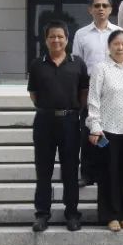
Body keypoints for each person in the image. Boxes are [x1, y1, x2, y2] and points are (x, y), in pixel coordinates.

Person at [27, 20, 89, 232]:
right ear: (46, 40)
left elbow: (83, 92)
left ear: (67, 39)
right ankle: (42, 214)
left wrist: (73, 111)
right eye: (52, 36)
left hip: (69, 121)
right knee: (43, 170)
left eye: (60, 36)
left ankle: (72, 214)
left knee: (70, 170)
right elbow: (34, 94)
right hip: (44, 122)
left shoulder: (77, 63)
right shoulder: (37, 64)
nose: (56, 40)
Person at [86, 30, 123, 232]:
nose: (120, 48)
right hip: (107, 130)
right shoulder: (101, 68)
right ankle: (110, 216)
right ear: (109, 47)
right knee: (108, 174)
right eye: (116, 44)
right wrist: (95, 126)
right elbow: (93, 99)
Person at [71, 0, 122, 188]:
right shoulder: (81, 34)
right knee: (88, 131)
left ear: (110, 9)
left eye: (105, 5)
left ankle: (108, 170)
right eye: (97, 5)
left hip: (114, 88)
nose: (101, 9)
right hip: (90, 87)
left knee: (110, 133)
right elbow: (77, 63)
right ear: (90, 9)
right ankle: (87, 172)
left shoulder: (118, 32)